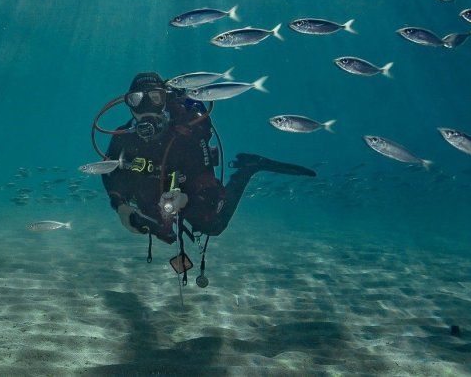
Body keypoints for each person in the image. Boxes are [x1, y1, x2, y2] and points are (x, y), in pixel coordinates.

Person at [97, 72, 315, 271]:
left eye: (154, 98)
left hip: (189, 185)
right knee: (155, 226)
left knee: (213, 225)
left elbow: (202, 172)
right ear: (128, 103)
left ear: (165, 100)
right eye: (136, 99)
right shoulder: (123, 137)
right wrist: (121, 206)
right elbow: (110, 172)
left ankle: (248, 169)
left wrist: (185, 198)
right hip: (157, 191)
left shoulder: (187, 128)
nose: (145, 107)